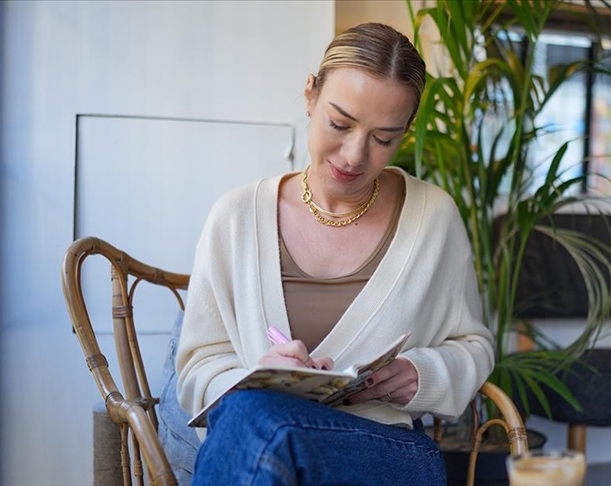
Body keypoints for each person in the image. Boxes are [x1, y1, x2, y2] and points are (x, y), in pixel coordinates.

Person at [175, 22, 494, 485]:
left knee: (254, 423)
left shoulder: (433, 217)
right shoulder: (235, 216)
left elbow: (475, 344)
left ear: (405, 133)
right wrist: (255, 376)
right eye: (339, 124)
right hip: (257, 447)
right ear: (310, 95)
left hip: (387, 454)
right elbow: (196, 369)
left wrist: (421, 374)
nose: (353, 155)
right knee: (256, 418)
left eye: (383, 138)